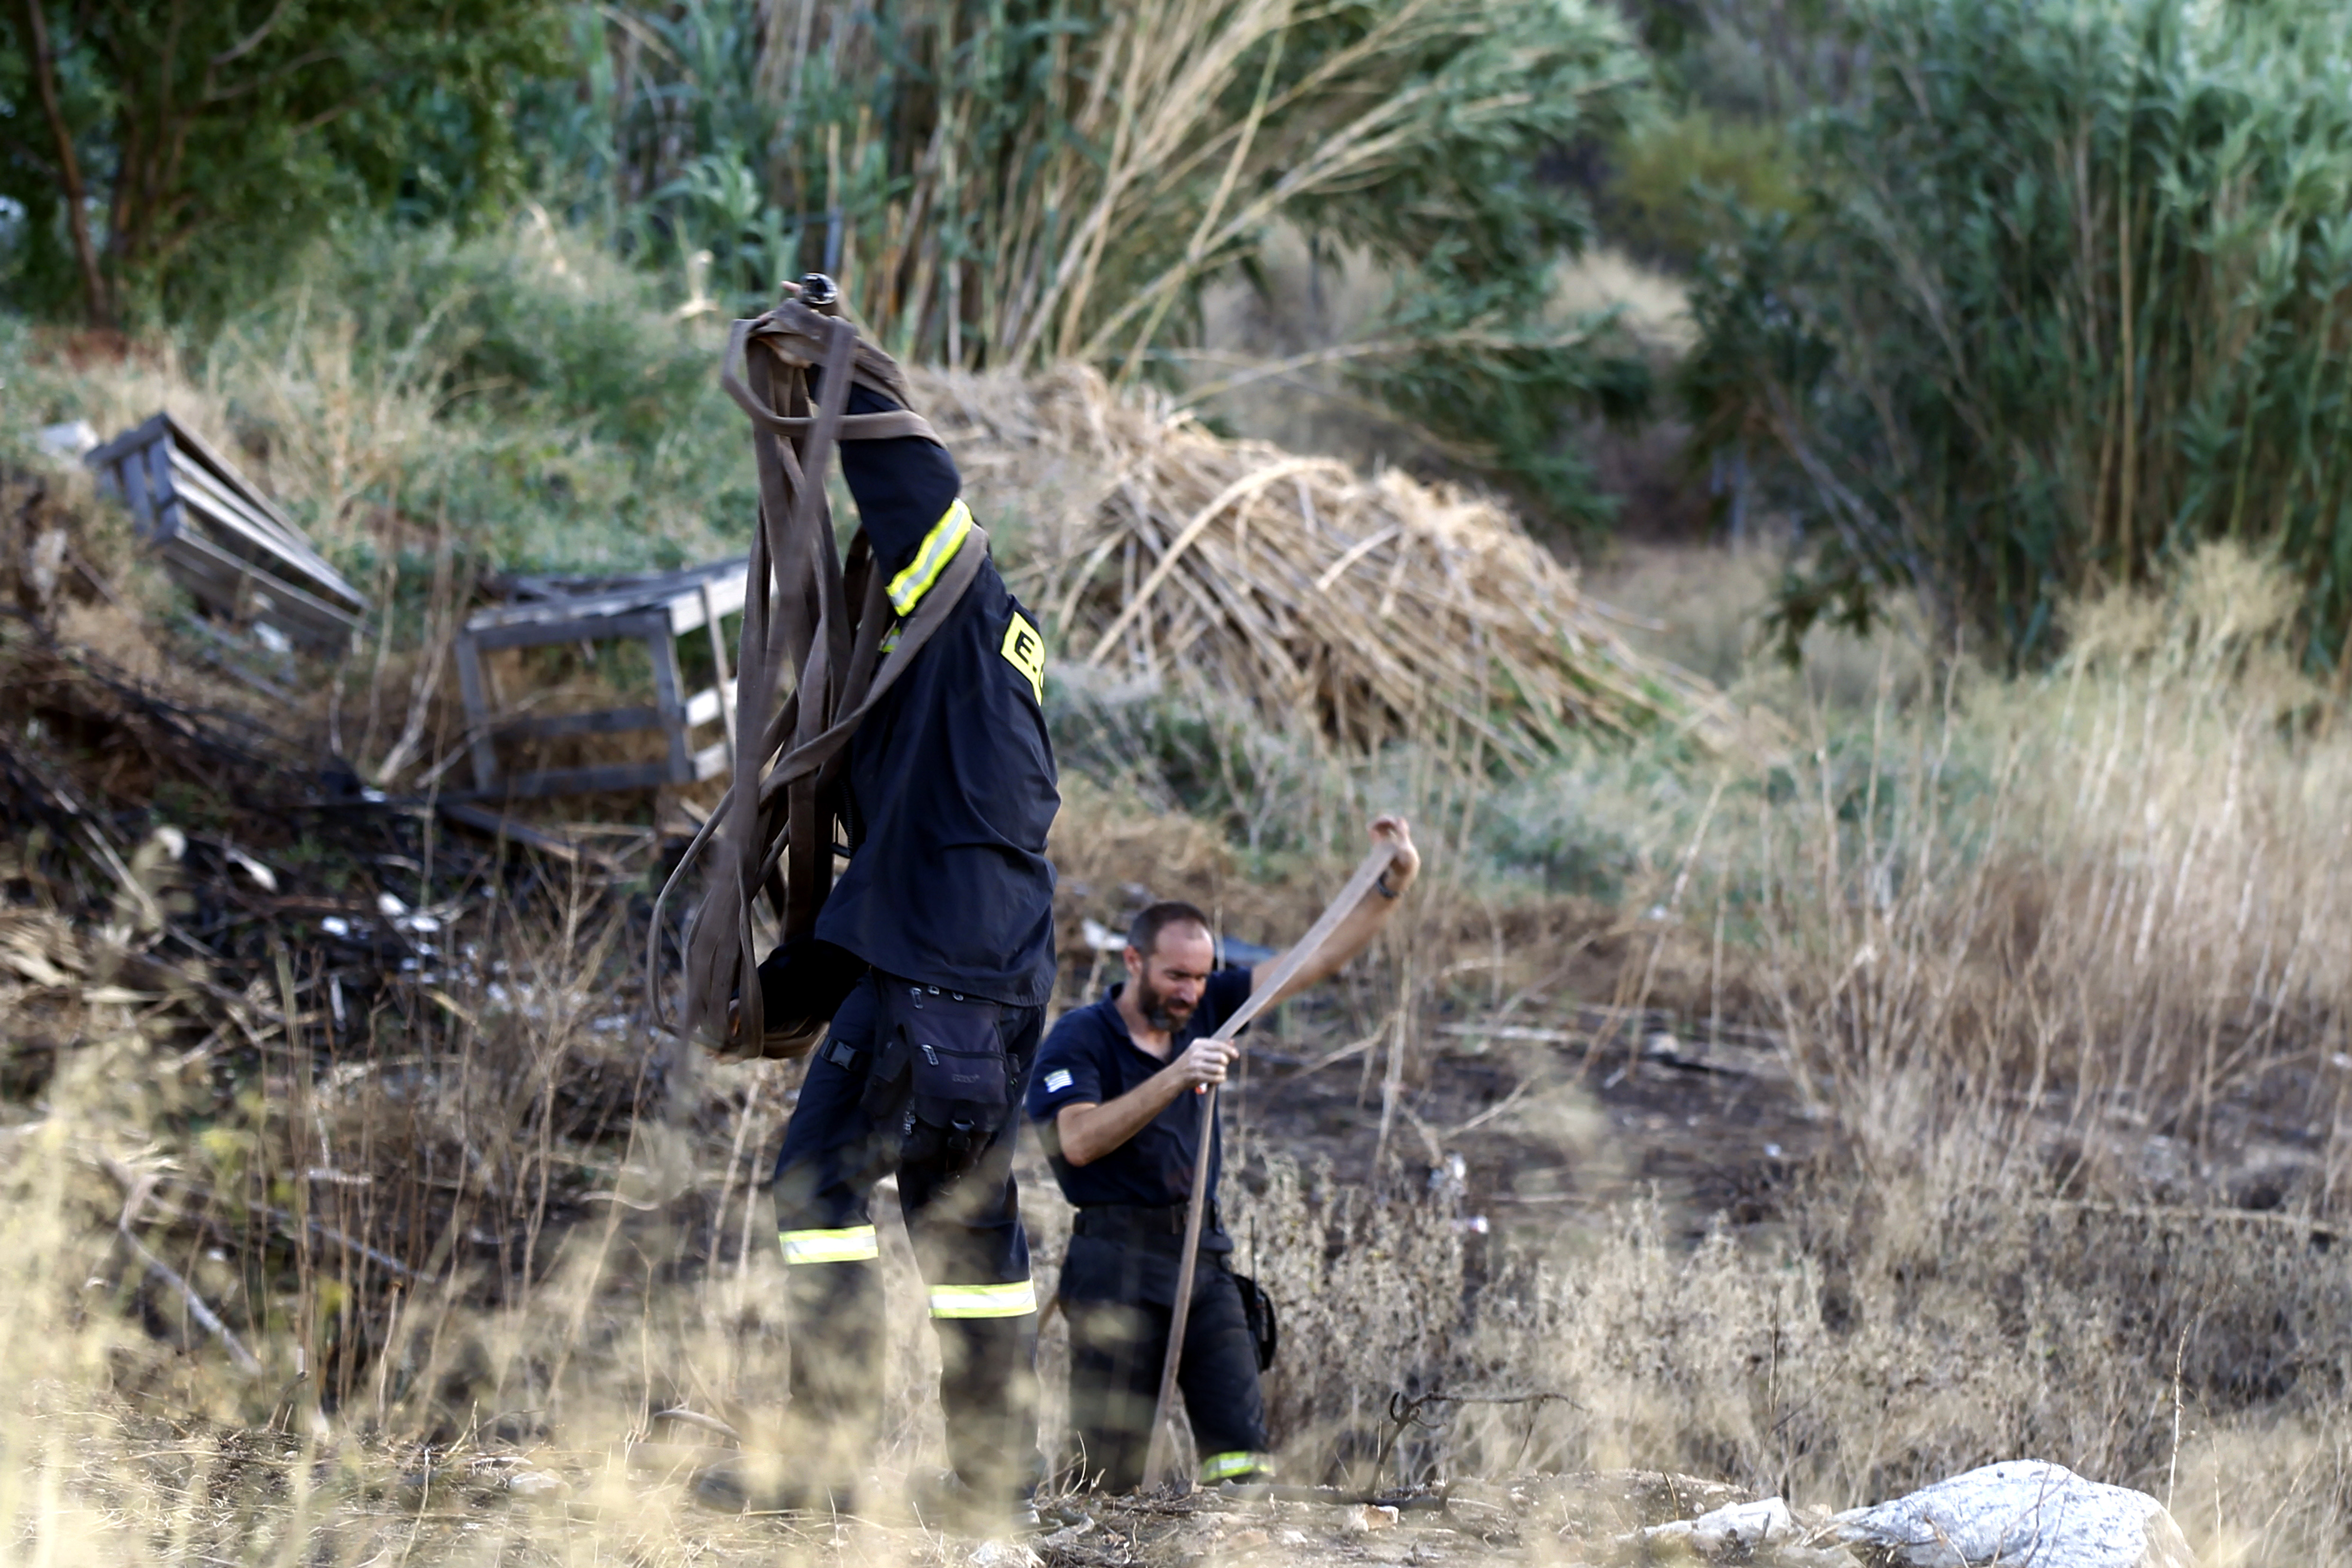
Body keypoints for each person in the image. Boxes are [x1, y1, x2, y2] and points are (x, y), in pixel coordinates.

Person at [695, 294, 1059, 1531]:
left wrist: (837, 361)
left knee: (815, 1187)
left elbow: (916, 497)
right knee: (968, 1232)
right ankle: (991, 1487)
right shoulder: (1001, 670)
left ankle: (824, 1458)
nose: (889, 586)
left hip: (930, 978)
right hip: (1002, 983)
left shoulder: (961, 620)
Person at [1025, 818, 1421, 1491]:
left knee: (1242, 1459)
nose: (1189, 993)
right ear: (1133, 961)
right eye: (1176, 976)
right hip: (1113, 1263)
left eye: (1202, 978)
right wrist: (1176, 1076)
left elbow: (1316, 960)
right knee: (1105, 1475)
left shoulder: (1210, 1006)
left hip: (1201, 1259)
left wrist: (1393, 883)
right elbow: (1079, 1141)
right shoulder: (1078, 1038)